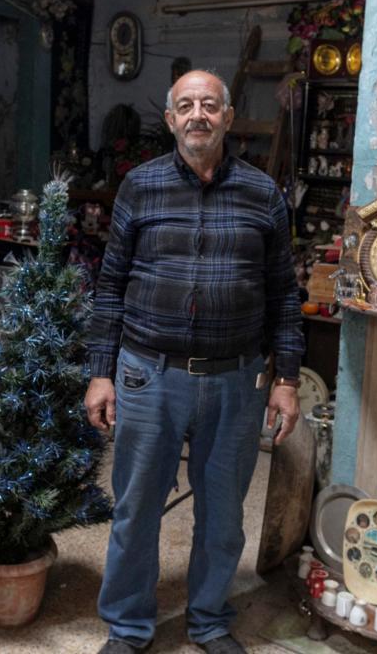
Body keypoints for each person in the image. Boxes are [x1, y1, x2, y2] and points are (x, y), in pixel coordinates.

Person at [85, 70, 305, 654]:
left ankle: (209, 619)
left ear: (229, 117)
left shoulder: (263, 194)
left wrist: (286, 378)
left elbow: (285, 292)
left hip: (237, 379)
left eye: (210, 105)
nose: (198, 115)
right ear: (170, 118)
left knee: (224, 513)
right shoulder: (140, 186)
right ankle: (129, 626)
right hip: (149, 374)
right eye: (186, 105)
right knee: (136, 507)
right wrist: (101, 371)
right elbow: (110, 285)